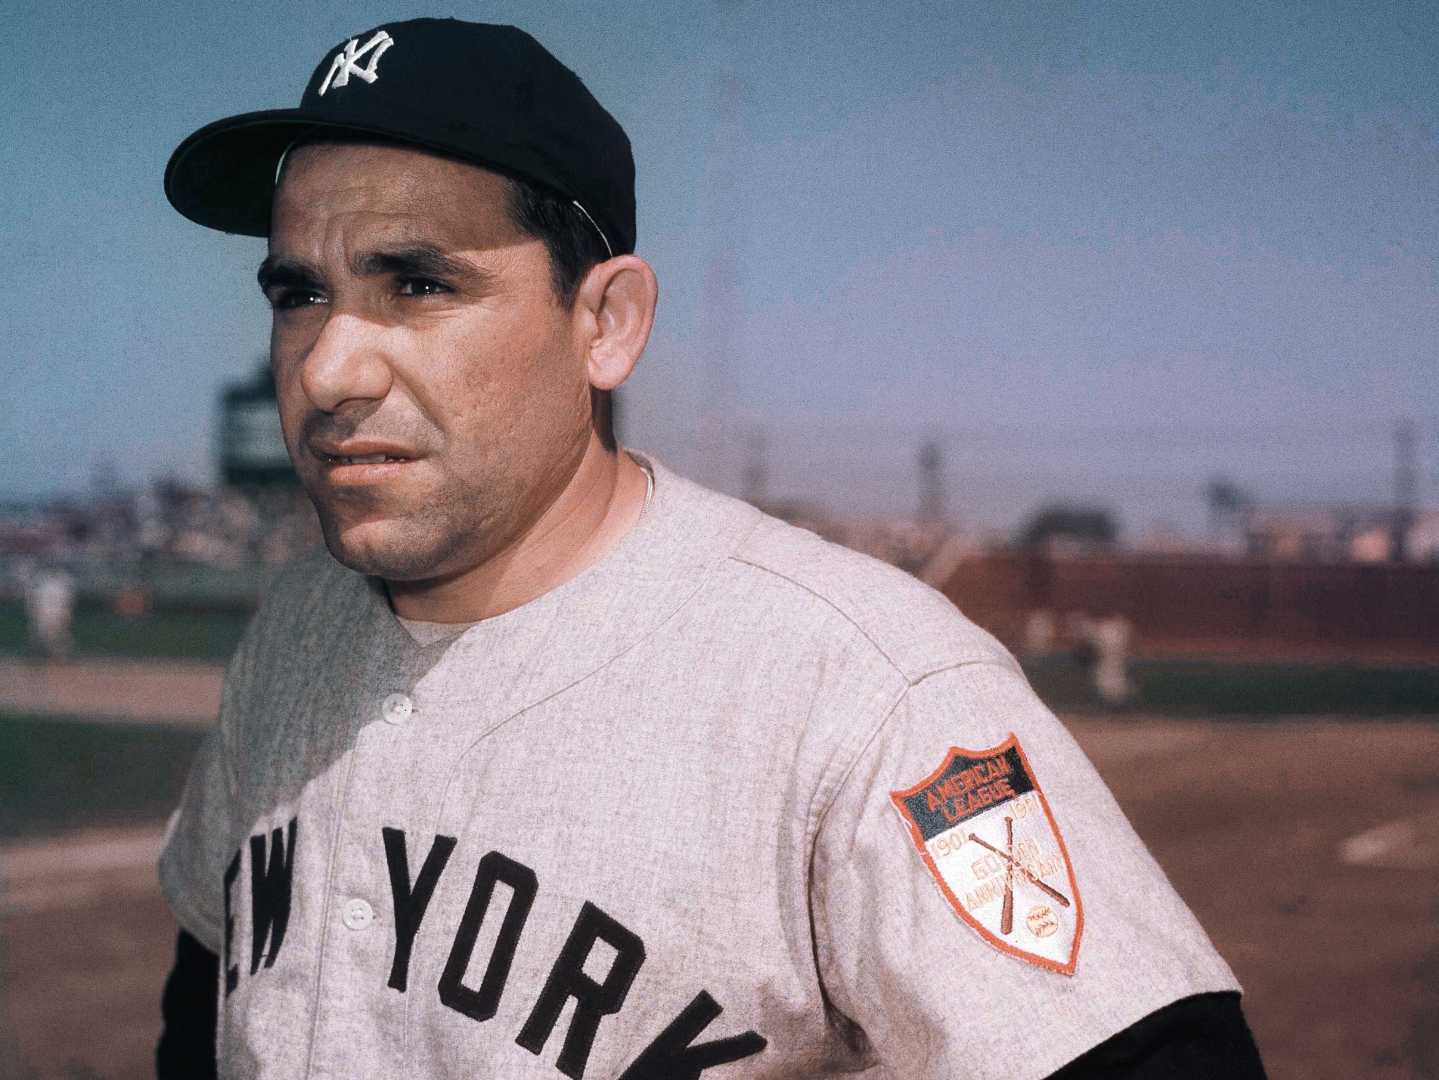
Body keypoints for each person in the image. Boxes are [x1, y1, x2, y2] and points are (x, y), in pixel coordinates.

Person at [156, 18, 1265, 1079]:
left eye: (419, 283)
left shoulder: (866, 690)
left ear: (605, 325)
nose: (327, 369)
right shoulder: (298, 628)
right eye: (300, 292)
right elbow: (198, 1012)